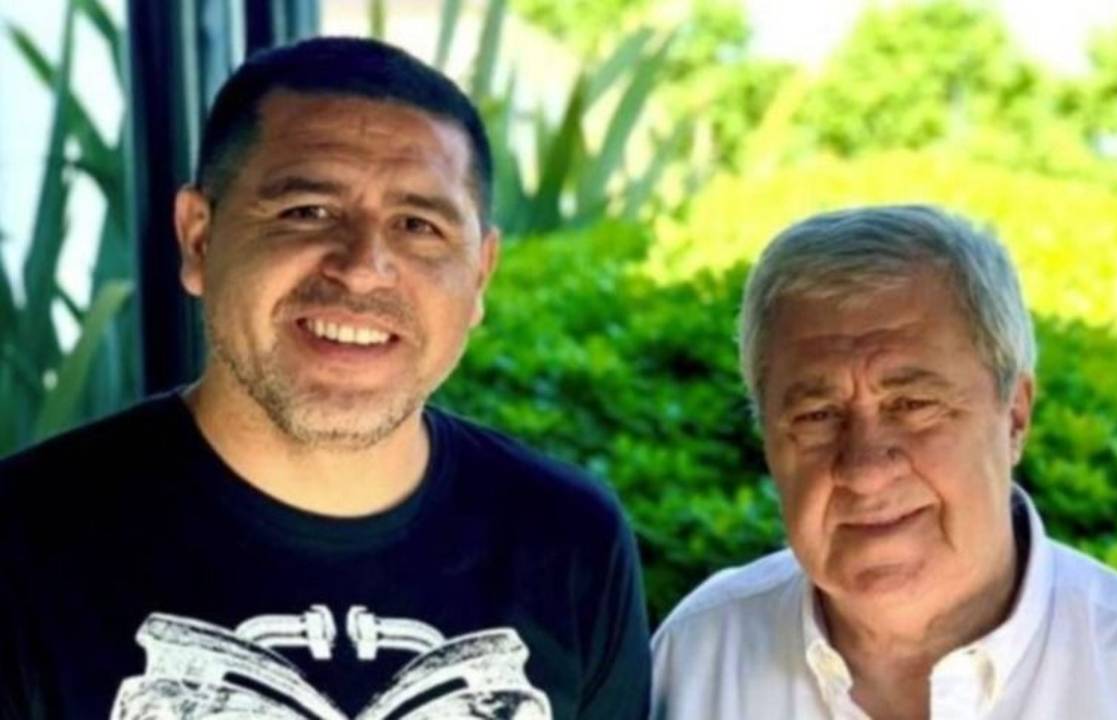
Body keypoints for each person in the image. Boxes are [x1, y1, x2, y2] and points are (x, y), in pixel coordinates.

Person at [0, 37, 649, 719]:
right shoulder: (22, 545)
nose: (363, 268)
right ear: (198, 238)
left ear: (480, 273)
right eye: (307, 211)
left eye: (418, 225)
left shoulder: (569, 541)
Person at [650, 205, 1117, 720]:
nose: (865, 468)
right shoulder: (698, 659)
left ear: (1015, 417)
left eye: (913, 405)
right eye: (817, 415)